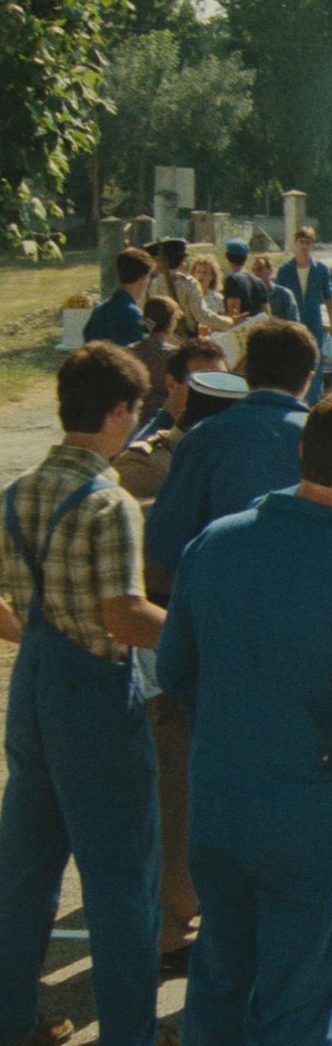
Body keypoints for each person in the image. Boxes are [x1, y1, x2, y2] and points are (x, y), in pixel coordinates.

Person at [157, 384, 332, 1045]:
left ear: (303, 451)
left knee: (219, 981)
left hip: (219, 796)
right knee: (299, 1002)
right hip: (311, 809)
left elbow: (173, 674)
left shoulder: (215, 544)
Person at [0, 342, 170, 1046]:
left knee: (25, 870)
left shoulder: (17, 492)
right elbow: (124, 616)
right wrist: (200, 636)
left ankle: (12, 1020)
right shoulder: (110, 501)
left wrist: (33, 633)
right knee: (121, 875)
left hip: (34, 682)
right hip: (94, 694)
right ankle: (129, 1031)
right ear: (120, 412)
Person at [112, 367, 244, 985]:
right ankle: (170, 925)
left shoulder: (198, 456)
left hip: (196, 644)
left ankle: (178, 917)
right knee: (174, 786)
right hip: (171, 641)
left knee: (187, 788)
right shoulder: (151, 464)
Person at [144, 320, 317, 594]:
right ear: (309, 378)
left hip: (218, 603)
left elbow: (163, 545)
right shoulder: (325, 439)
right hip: (306, 600)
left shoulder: (203, 436)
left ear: (245, 369)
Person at [121, 340, 232, 484]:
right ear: (171, 384)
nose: (216, 393)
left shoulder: (224, 436)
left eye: (222, 383)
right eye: (203, 384)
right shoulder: (145, 455)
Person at [274, 226, 332, 402]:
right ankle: (293, 400)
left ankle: (313, 403)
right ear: (295, 244)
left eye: (308, 242)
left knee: (314, 364)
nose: (304, 246)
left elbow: (329, 297)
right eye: (301, 242)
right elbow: (277, 298)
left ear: (312, 245)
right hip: (291, 323)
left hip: (313, 322)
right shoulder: (285, 269)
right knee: (292, 362)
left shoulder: (320, 269)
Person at [145, 238, 233, 339]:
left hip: (160, 338)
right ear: (181, 260)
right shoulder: (188, 283)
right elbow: (202, 316)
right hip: (184, 338)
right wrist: (229, 322)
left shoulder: (153, 282)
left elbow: (146, 314)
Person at [83, 246, 155, 347]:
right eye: (149, 277)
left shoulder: (99, 310)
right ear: (142, 278)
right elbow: (150, 342)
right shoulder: (135, 314)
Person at [130, 295, 181, 424]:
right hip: (161, 419)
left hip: (134, 417)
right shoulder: (174, 355)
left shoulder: (130, 352)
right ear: (169, 322)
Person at [221, 239, 267, 320]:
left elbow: (234, 314)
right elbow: (266, 312)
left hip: (243, 329)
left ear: (226, 256)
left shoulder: (232, 280)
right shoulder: (258, 281)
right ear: (245, 258)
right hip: (258, 328)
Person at [253, 255, 300, 322]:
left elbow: (293, 322)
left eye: (260, 269)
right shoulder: (251, 295)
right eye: (253, 270)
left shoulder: (284, 294)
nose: (256, 273)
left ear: (270, 271)